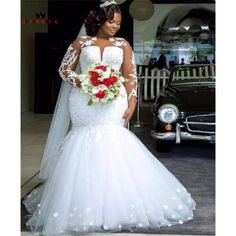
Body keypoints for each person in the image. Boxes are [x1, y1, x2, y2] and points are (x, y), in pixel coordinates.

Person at [23, 1, 196, 234]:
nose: (115, 26)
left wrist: (132, 102)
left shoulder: (123, 44)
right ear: (99, 20)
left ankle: (116, 201)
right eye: (111, 21)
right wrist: (86, 81)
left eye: (119, 22)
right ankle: (82, 202)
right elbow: (64, 71)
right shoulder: (81, 43)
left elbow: (130, 76)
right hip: (84, 101)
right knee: (82, 143)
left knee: (114, 142)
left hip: (115, 101)